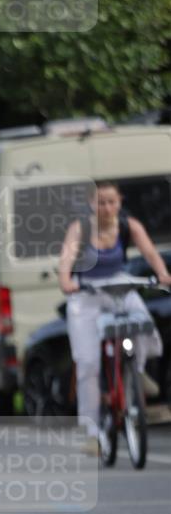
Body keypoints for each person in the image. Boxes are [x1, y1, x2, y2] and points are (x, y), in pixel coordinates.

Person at [58, 180, 171, 448]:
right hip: (86, 293)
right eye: (100, 202)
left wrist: (163, 274)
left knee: (144, 324)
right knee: (87, 364)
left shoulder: (127, 225)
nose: (106, 208)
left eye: (111, 202)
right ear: (91, 204)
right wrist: (66, 279)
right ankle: (90, 432)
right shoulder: (80, 229)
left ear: (119, 202)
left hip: (119, 288)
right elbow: (67, 257)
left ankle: (136, 373)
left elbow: (150, 252)